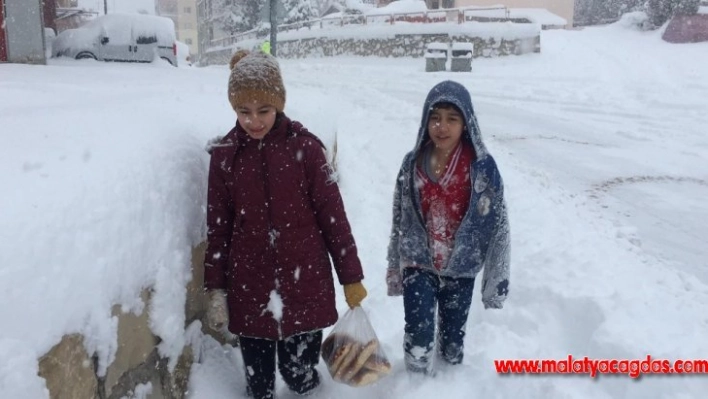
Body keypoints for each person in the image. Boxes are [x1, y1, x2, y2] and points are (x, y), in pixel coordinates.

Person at [203, 49, 368, 399]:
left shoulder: (306, 150)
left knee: (299, 376)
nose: (255, 121)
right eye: (243, 112)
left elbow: (333, 217)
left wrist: (350, 277)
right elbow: (218, 229)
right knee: (258, 385)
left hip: (303, 283)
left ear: (279, 104)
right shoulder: (225, 156)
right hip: (250, 288)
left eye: (264, 110)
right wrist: (216, 288)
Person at [386, 80, 510, 375]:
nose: (441, 126)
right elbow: (399, 217)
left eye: (452, 119)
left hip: (461, 268)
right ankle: (414, 385)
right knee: (418, 332)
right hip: (419, 264)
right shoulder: (412, 163)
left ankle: (451, 383)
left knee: (453, 341)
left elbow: (499, 226)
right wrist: (395, 266)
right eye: (435, 117)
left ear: (466, 123)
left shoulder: (481, 169)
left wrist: (496, 283)